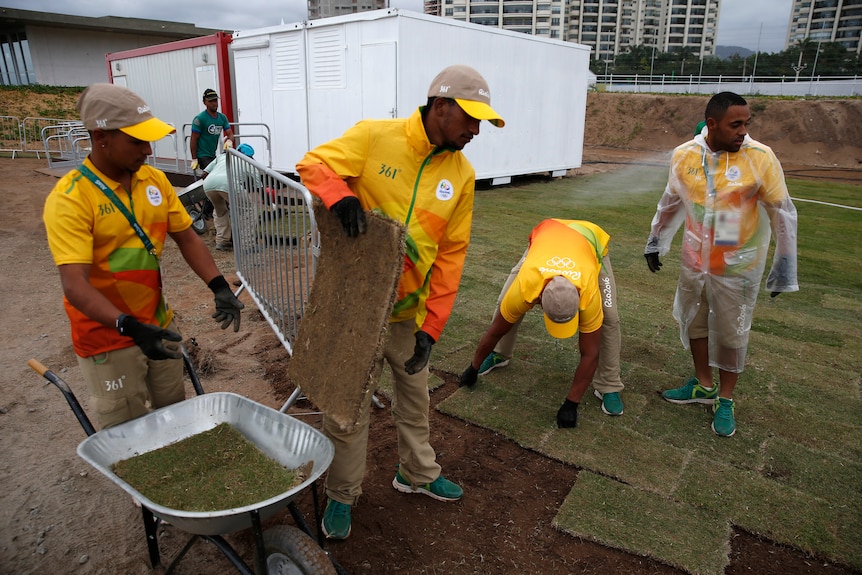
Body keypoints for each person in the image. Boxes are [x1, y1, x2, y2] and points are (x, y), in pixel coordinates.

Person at [296, 64, 504, 540]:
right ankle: (342, 494)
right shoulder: (375, 136)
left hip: (407, 316)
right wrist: (338, 195)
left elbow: (451, 255)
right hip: (356, 311)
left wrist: (432, 327)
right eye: (470, 119)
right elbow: (312, 164)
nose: (476, 131)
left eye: (481, 123)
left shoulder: (463, 174)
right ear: (440, 106)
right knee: (347, 408)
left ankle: (417, 473)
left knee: (415, 399)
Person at [43, 83, 245, 430]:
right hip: (108, 336)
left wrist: (219, 286)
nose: (148, 150)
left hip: (158, 323)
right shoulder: (71, 199)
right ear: (101, 137)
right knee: (129, 431)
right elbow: (75, 285)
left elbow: (187, 239)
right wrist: (128, 326)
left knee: (174, 413)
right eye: (136, 141)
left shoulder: (153, 180)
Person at [643, 91, 798, 437]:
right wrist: (656, 240)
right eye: (735, 124)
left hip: (737, 264)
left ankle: (725, 399)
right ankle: (703, 384)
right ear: (712, 124)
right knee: (695, 323)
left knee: (732, 332)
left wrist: (785, 265)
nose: (743, 131)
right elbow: (671, 200)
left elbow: (782, 212)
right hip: (695, 261)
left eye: (746, 123)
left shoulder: (760, 158)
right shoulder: (684, 155)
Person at [459, 219, 625, 428]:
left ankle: (608, 385)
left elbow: (590, 353)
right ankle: (499, 354)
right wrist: (472, 368)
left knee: (609, 317)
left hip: (590, 243)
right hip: (546, 238)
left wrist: (571, 404)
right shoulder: (527, 286)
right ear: (538, 299)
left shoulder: (589, 294)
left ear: (579, 302)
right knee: (505, 303)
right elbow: (494, 331)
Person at [202, 142, 256, 251]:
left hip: (208, 184)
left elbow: (203, 174)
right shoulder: (249, 163)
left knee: (220, 212)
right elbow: (258, 187)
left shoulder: (222, 157)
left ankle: (222, 241)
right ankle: (248, 245)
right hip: (230, 184)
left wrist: (218, 189)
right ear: (250, 156)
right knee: (248, 209)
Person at [189, 88, 234, 171]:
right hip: (202, 155)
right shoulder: (199, 119)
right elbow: (193, 139)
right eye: (210, 101)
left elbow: (230, 133)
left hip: (212, 154)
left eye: (215, 100)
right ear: (205, 102)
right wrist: (194, 158)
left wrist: (229, 141)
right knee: (213, 173)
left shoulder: (222, 118)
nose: (214, 104)